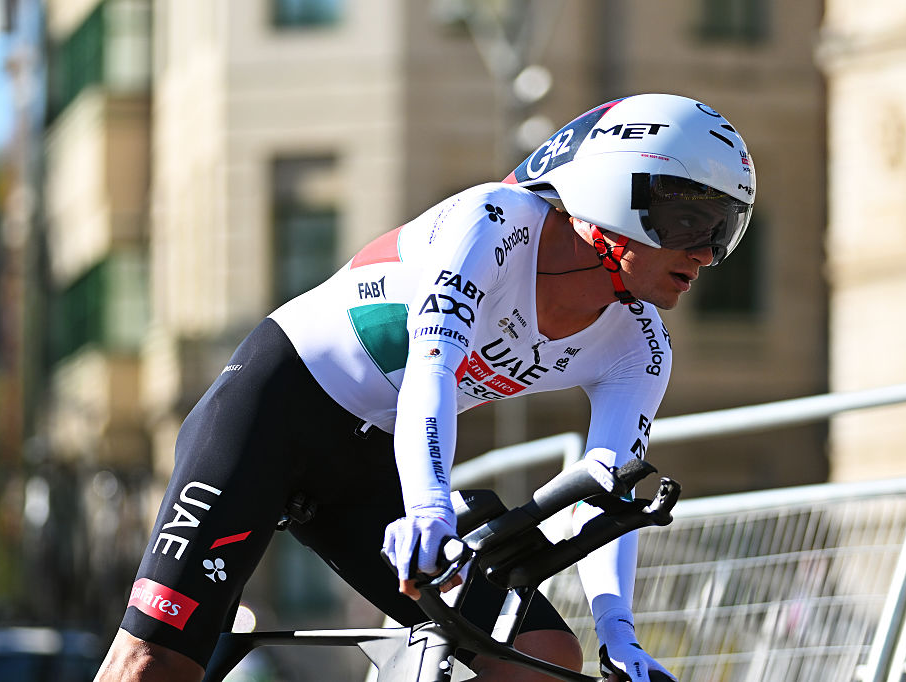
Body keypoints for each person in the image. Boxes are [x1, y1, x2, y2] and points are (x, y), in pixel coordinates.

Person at [94, 93, 755, 682]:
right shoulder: (495, 221)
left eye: (727, 229)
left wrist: (620, 636)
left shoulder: (641, 349)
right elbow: (431, 370)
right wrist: (431, 509)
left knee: (542, 658)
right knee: (155, 662)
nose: (707, 253)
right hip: (274, 408)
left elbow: (605, 495)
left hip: (371, 467)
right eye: (691, 222)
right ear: (612, 192)